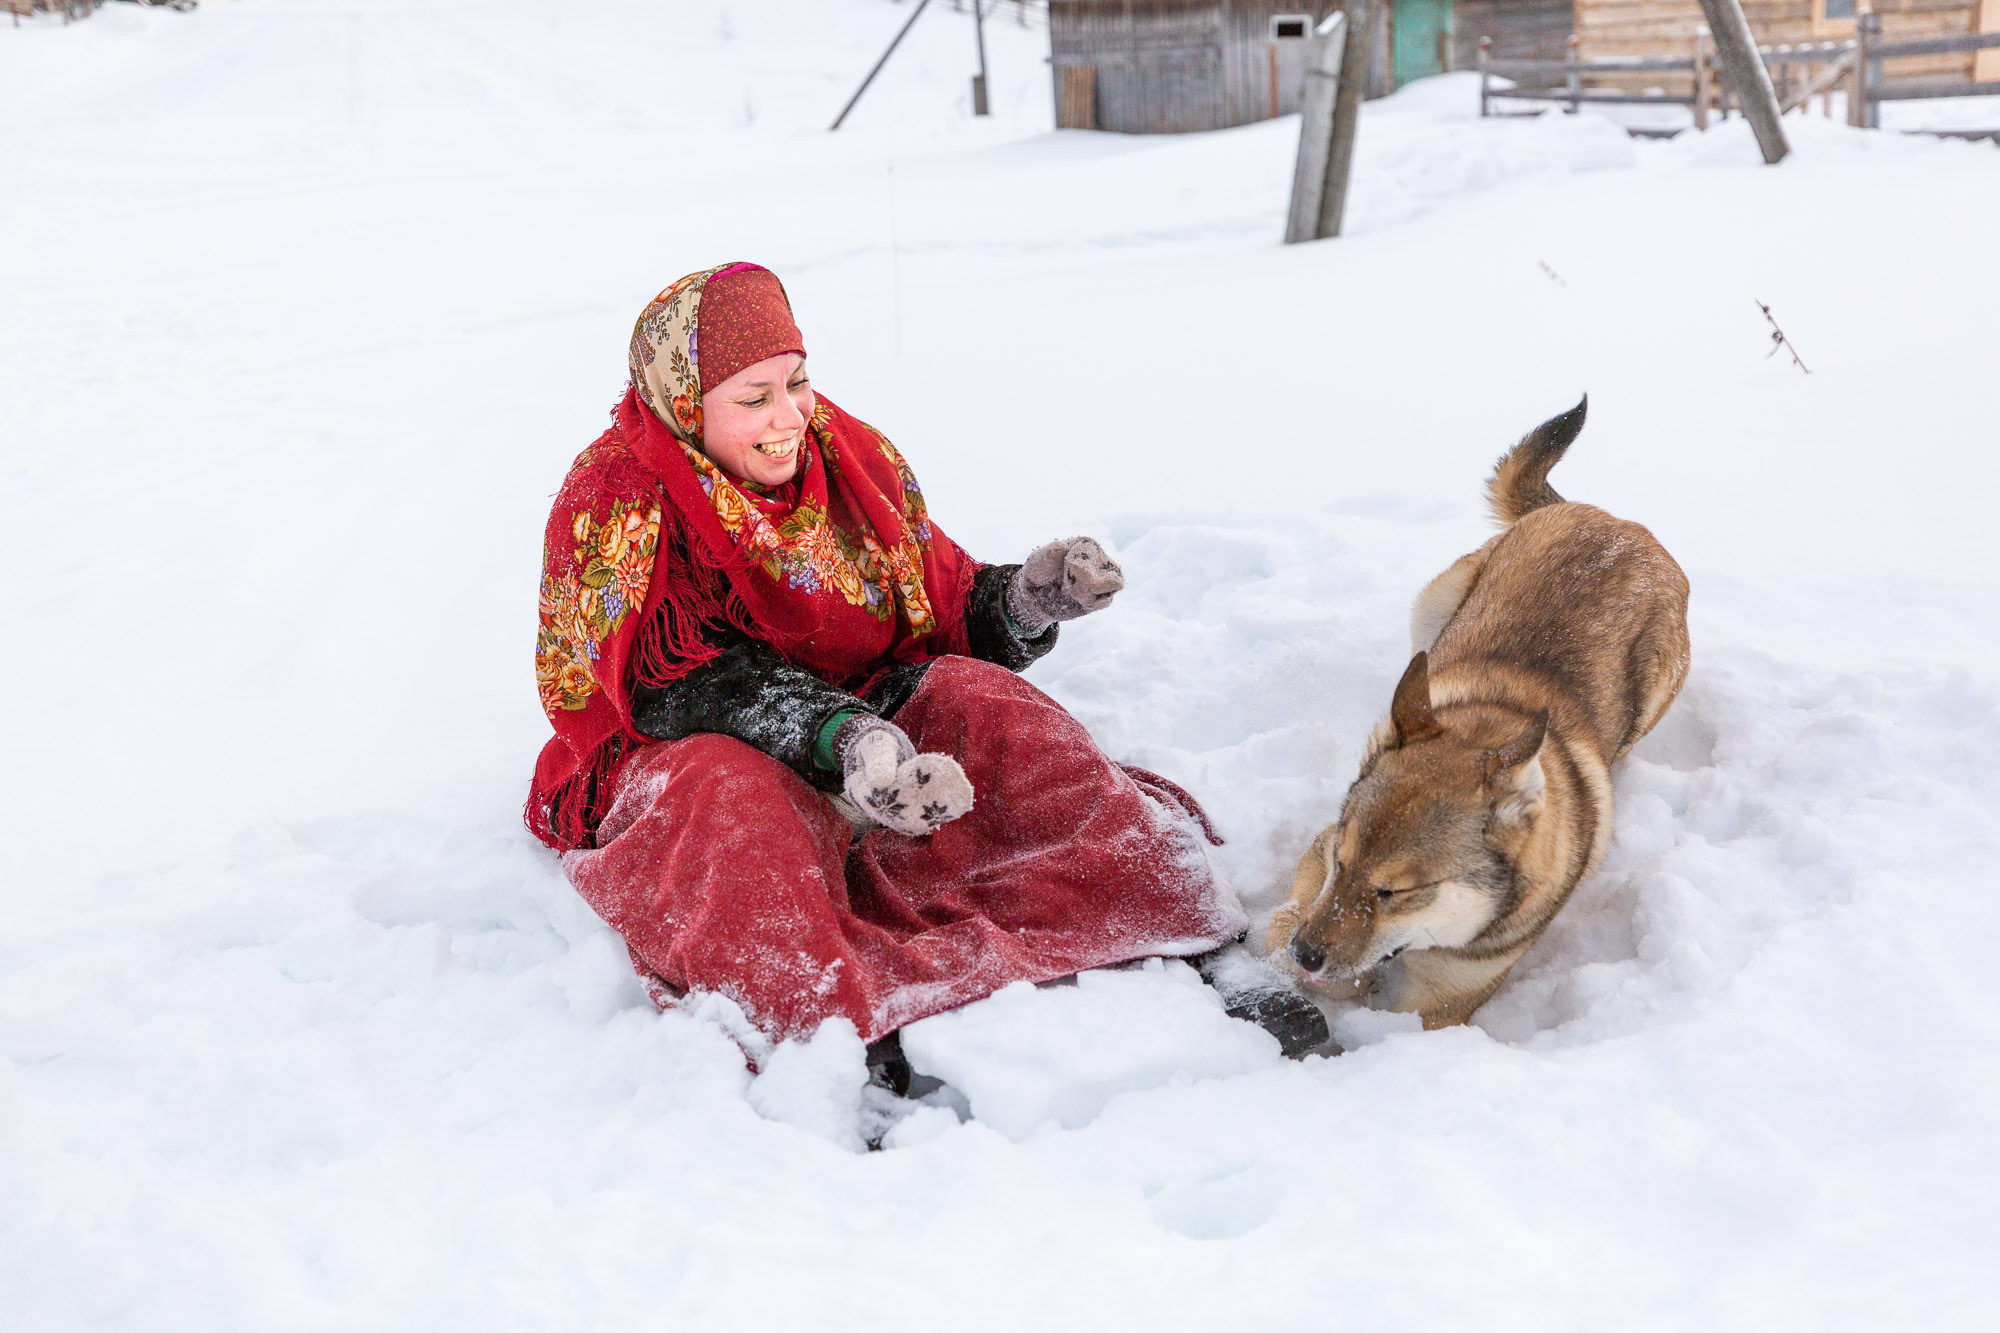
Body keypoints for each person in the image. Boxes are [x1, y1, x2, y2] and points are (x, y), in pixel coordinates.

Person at [527, 262, 1322, 1069]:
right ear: (685, 403)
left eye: (797, 381)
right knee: (737, 813)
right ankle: (838, 1030)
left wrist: (1025, 601)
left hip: (864, 713)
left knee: (993, 708)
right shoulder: (615, 496)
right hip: (690, 741)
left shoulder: (846, 456)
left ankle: (1185, 931)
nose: (789, 417)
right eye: (753, 397)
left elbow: (936, 605)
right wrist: (841, 736)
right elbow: (673, 680)